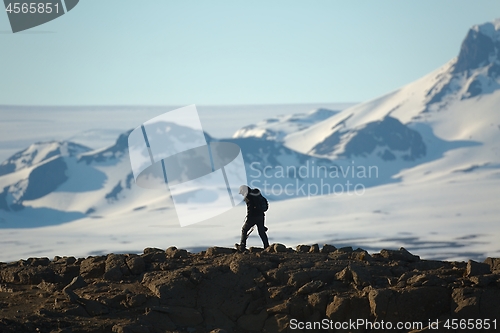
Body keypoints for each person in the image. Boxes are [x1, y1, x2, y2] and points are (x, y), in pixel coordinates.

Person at [235, 185, 269, 252]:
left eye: (241, 193)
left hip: (253, 216)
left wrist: (248, 217)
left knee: (244, 230)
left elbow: (250, 207)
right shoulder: (255, 193)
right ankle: (267, 247)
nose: (242, 194)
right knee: (261, 232)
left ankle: (242, 247)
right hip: (261, 215)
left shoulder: (247, 196)